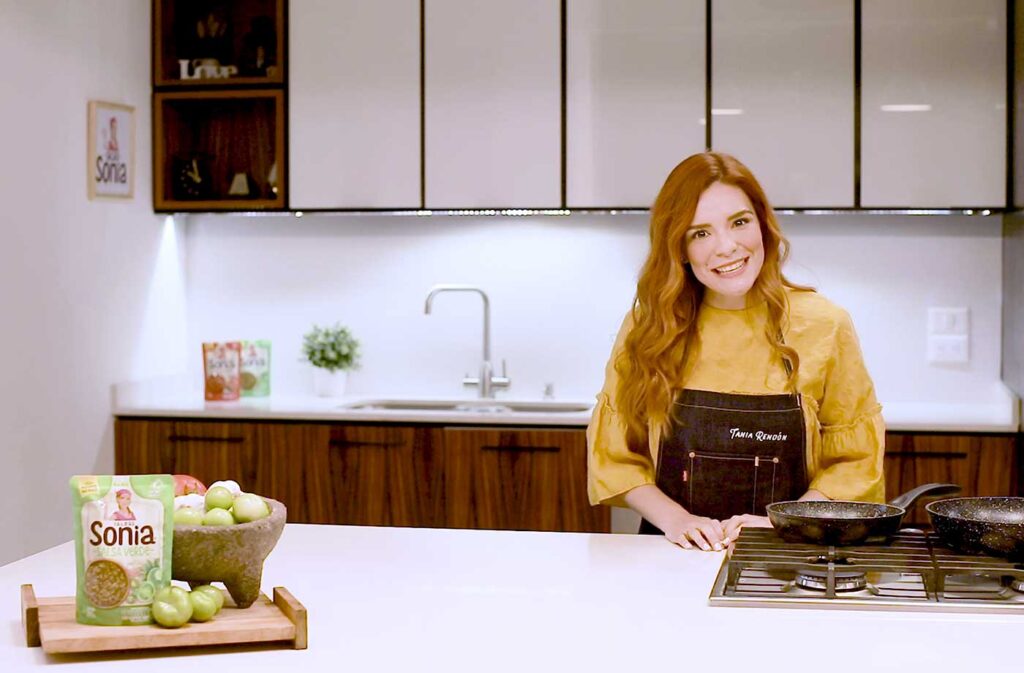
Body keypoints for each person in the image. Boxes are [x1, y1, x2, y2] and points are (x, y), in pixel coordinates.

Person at [587, 152, 885, 552]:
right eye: (700, 233)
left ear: (762, 225)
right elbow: (616, 457)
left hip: (788, 553)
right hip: (674, 554)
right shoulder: (650, 327)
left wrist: (783, 522)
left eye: (739, 222)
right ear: (679, 248)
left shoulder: (825, 324)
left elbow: (855, 462)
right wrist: (677, 520)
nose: (726, 247)